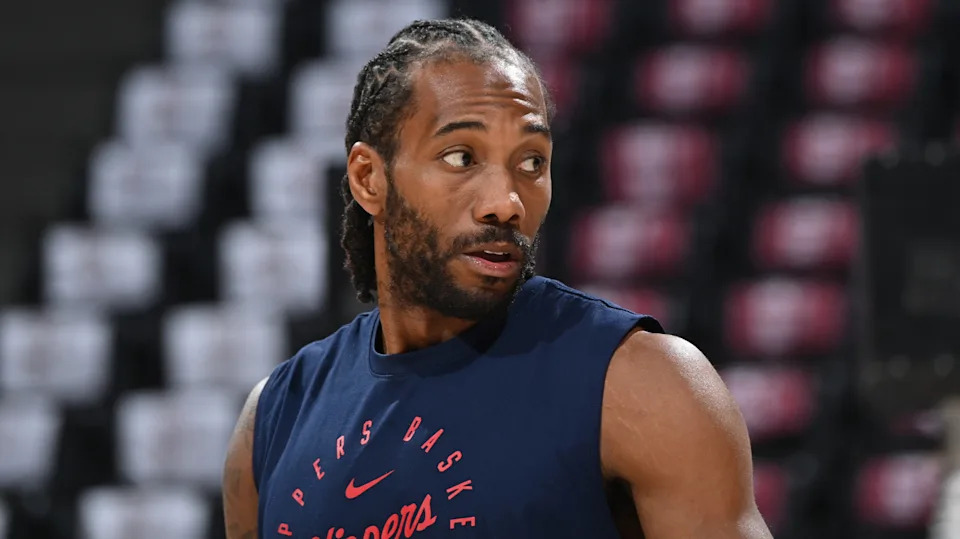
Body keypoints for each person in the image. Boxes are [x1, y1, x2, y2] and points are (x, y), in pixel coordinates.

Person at [222, 18, 772, 539]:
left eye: (532, 162)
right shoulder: (274, 418)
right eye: (461, 156)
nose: (506, 203)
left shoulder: (641, 384)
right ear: (370, 179)